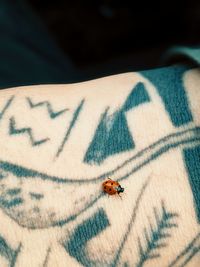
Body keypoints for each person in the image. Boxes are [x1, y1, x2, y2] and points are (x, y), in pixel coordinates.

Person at [0, 1, 199, 267]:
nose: (115, 188)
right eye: (116, 188)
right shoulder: (112, 186)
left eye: (116, 188)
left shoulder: (112, 188)